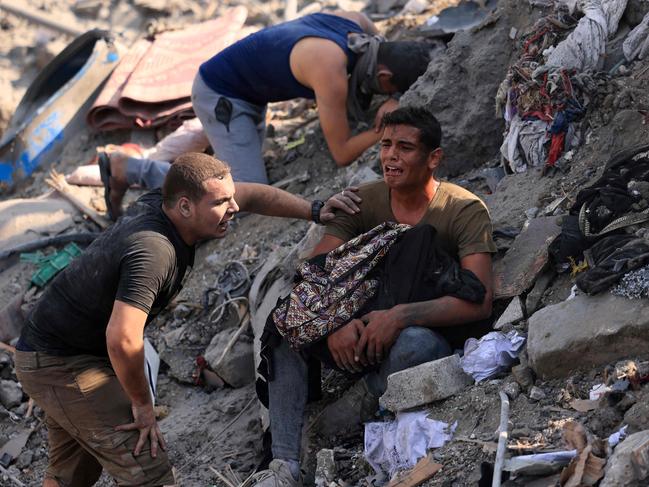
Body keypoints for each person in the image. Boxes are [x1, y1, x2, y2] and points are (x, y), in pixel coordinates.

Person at [13, 152, 360, 487]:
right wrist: (142, 406)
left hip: (62, 347)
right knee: (147, 470)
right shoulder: (155, 251)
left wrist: (314, 210)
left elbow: (250, 195)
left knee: (73, 471)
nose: (234, 208)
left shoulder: (169, 203)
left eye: (230, 198)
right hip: (60, 363)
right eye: (221, 203)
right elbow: (122, 338)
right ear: (184, 206)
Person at [252, 107, 497, 486]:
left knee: (415, 346)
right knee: (286, 329)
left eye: (404, 147)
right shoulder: (362, 201)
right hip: (356, 325)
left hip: (412, 330)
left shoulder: (462, 210)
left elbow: (479, 300)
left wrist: (399, 317)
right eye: (385, 145)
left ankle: (360, 404)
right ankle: (284, 465)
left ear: (434, 158)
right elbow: (315, 272)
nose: (390, 156)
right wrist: (334, 323)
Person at [101, 9, 432, 218]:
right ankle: (128, 168)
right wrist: (383, 128)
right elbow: (342, 153)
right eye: (388, 90)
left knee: (231, 161)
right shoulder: (329, 69)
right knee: (240, 193)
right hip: (222, 94)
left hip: (248, 86)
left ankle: (214, 144)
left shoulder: (358, 23)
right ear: (384, 78)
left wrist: (397, 97)